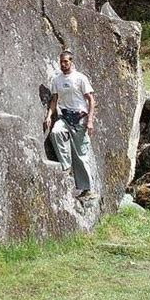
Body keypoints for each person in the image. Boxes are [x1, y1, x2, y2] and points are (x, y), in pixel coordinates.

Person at [43, 50, 96, 201]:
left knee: (81, 155)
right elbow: (54, 100)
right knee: (55, 133)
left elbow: (91, 100)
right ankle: (66, 166)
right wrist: (48, 116)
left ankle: (88, 190)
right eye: (61, 62)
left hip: (80, 118)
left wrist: (90, 120)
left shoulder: (80, 78)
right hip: (65, 117)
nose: (63, 65)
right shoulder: (57, 80)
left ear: (71, 62)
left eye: (66, 62)